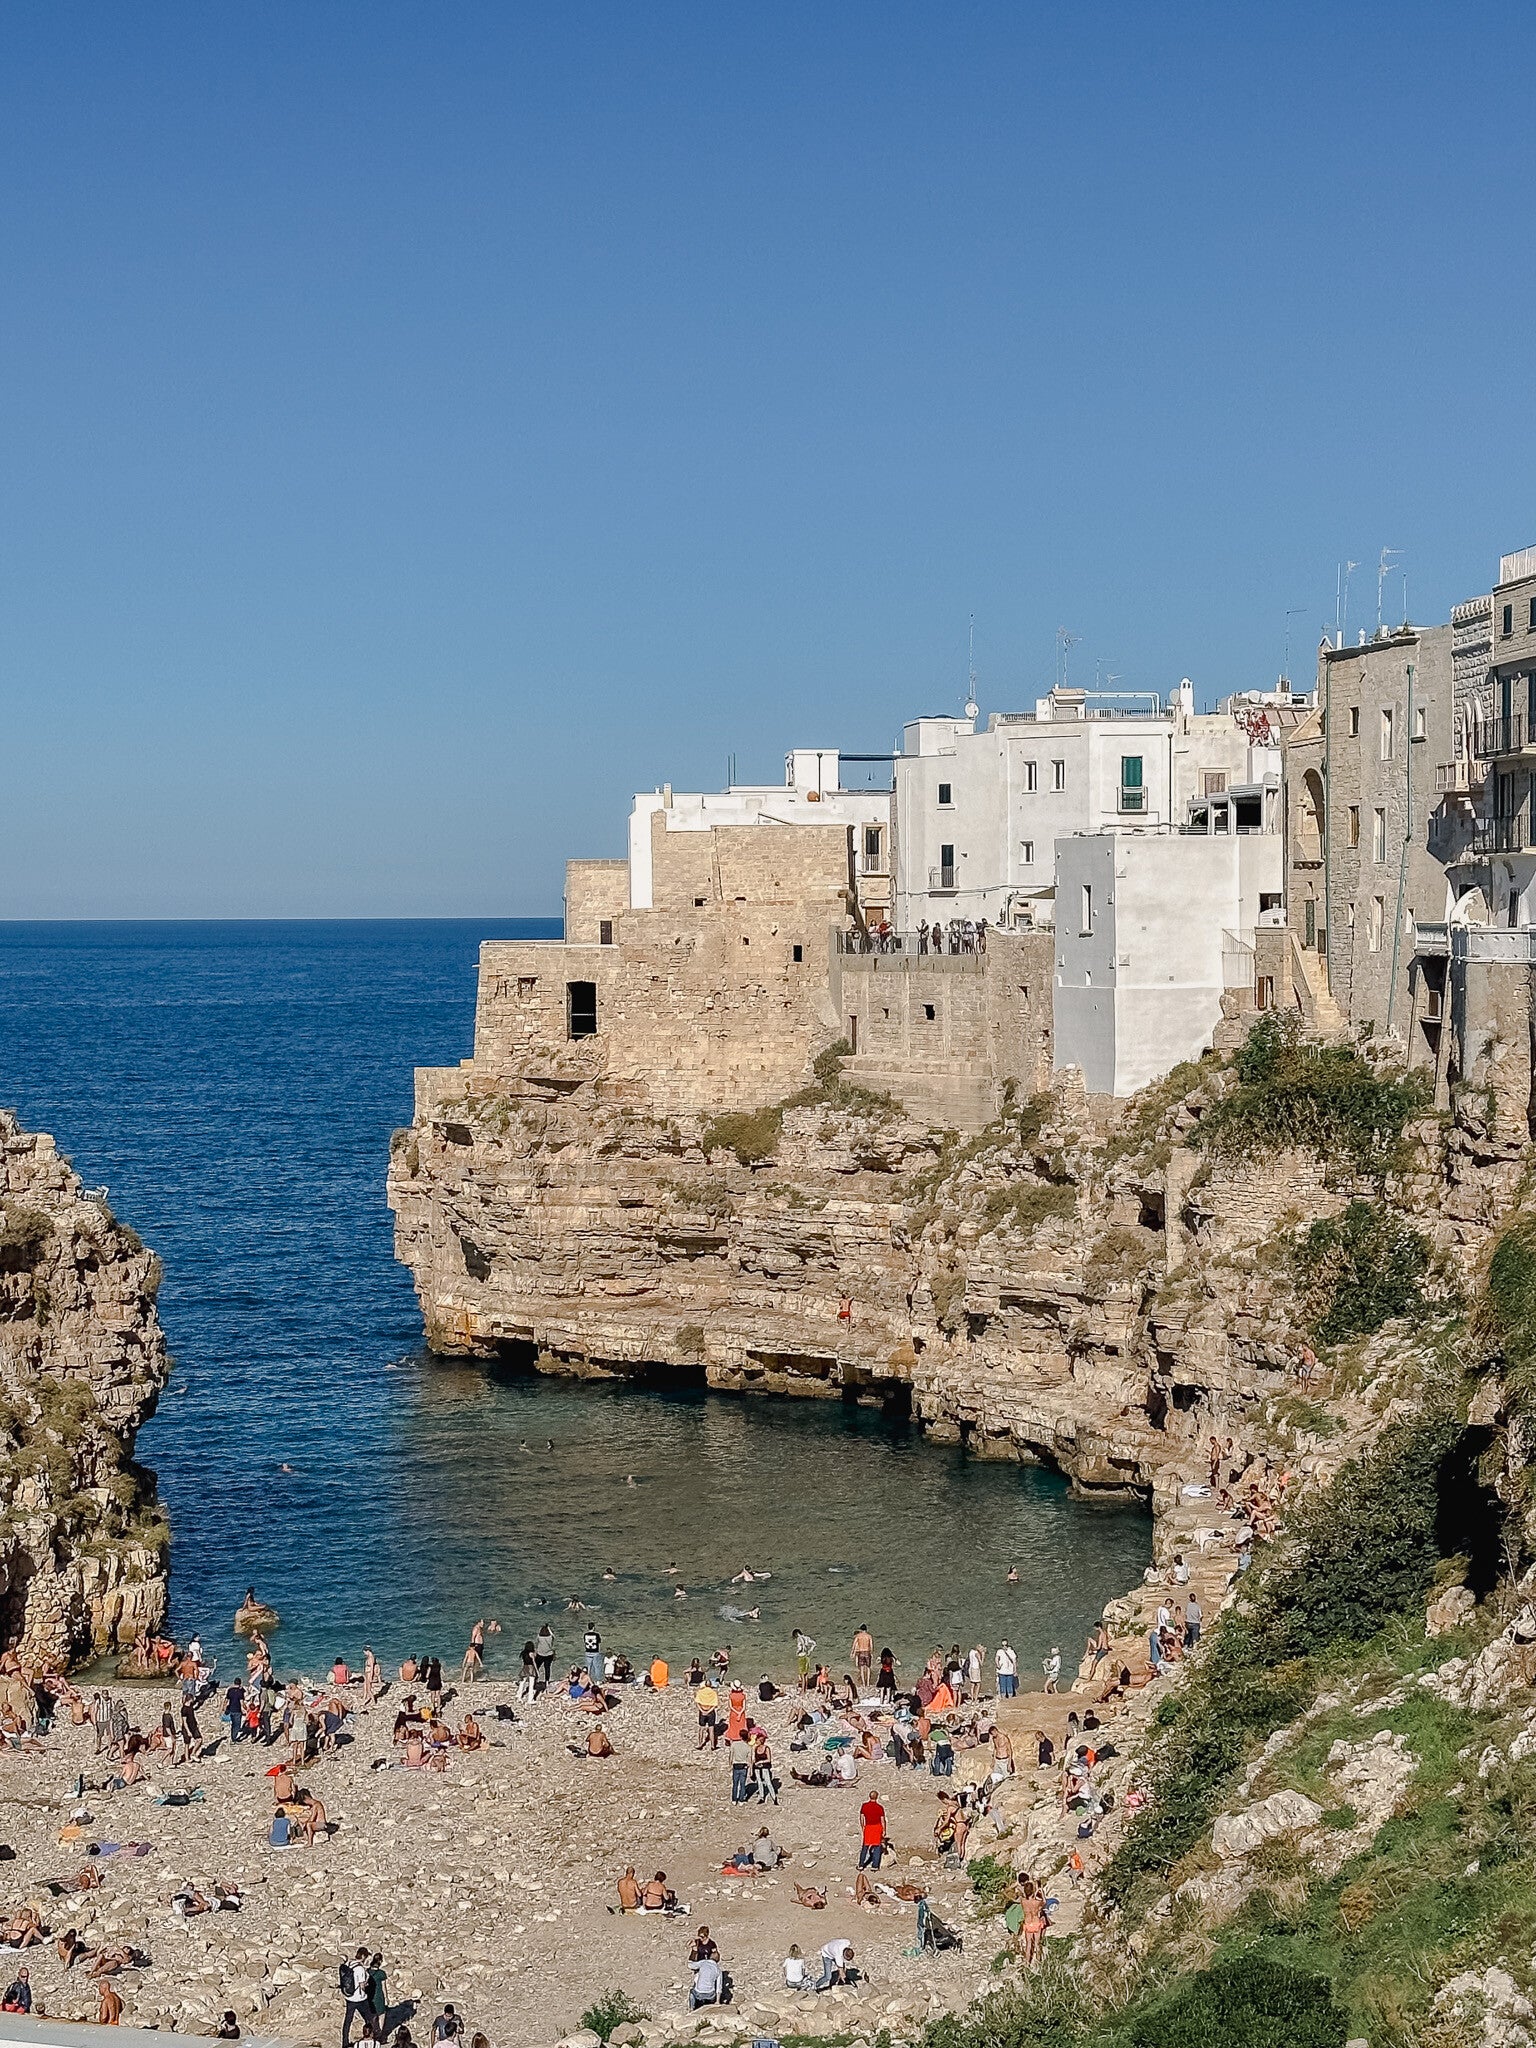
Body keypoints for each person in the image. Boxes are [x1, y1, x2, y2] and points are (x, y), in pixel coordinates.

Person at [341, 1948, 373, 2047]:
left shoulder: (349, 1963)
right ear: (363, 1956)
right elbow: (362, 1986)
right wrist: (367, 1984)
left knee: (348, 2021)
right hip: (359, 1998)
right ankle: (370, 2038)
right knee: (369, 2019)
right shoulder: (360, 1968)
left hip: (349, 1996)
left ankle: (345, 2043)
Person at [857, 1793, 886, 1870]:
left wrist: (863, 1826)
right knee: (877, 1846)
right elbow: (882, 1820)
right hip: (877, 1827)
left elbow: (862, 1817)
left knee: (865, 1846)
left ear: (869, 1796)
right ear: (877, 1797)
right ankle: (875, 1866)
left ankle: (861, 1864)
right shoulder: (879, 1807)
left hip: (868, 1827)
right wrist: (884, 1830)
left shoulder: (865, 1806)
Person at [852, 1626, 874, 1691]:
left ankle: (863, 1684)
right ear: (866, 1629)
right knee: (868, 1668)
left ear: (861, 1629)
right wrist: (871, 1653)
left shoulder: (858, 1636)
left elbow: (854, 1645)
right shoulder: (869, 1636)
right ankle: (868, 1683)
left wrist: (852, 1652)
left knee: (861, 1669)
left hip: (861, 1652)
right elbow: (871, 1646)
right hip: (867, 1652)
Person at [534, 1626, 555, 1692]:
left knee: (536, 1667)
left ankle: (535, 1680)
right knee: (547, 1668)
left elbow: (536, 1643)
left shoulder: (539, 1637)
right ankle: (547, 1682)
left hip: (540, 1654)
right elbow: (553, 1635)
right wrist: (549, 1629)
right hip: (549, 1654)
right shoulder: (550, 1637)